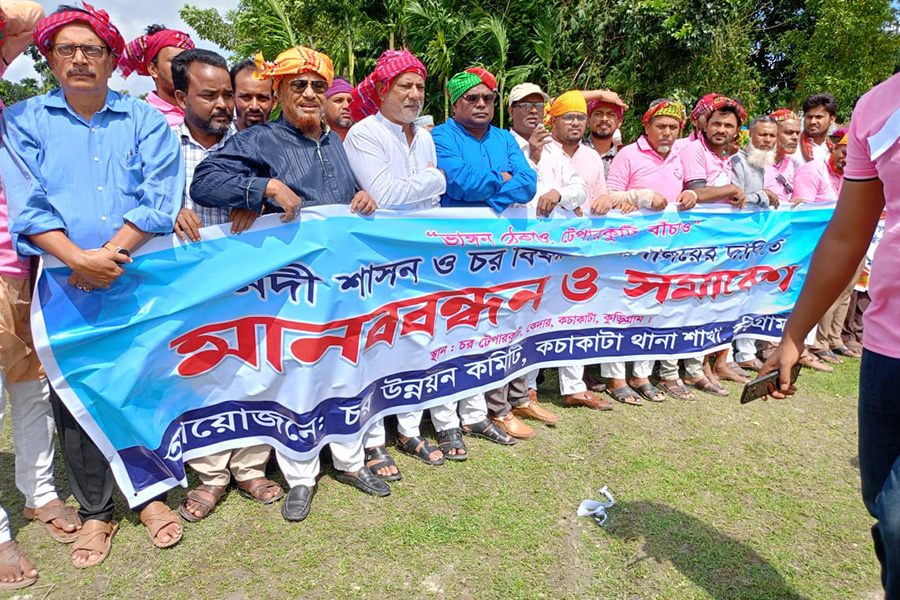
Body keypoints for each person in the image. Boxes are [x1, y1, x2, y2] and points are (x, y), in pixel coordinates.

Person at [1, 3, 185, 567]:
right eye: (67, 49)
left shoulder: (144, 119)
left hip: (136, 272)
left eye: (93, 49)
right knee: (74, 393)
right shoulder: (22, 120)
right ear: (49, 58)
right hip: (61, 281)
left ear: (111, 59)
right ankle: (97, 511)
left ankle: (150, 496)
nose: (80, 59)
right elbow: (26, 202)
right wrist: (77, 259)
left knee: (141, 380)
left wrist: (109, 255)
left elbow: (161, 192)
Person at [189, 46, 388, 522]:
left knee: (346, 369)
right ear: (278, 91)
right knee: (299, 376)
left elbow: (344, 198)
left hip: (342, 287)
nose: (310, 94)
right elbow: (205, 181)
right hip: (291, 293)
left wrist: (362, 196)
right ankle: (301, 477)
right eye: (298, 85)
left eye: (318, 86)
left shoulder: (336, 142)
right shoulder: (261, 139)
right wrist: (264, 190)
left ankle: (350, 461)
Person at [759, 70, 900, 600]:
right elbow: (846, 234)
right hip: (887, 346)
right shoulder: (877, 107)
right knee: (883, 506)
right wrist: (794, 335)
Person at [166, 48, 278, 522]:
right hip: (188, 283)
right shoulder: (163, 143)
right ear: (181, 97)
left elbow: (282, 197)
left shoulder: (252, 143)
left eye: (227, 95)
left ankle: (251, 467)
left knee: (253, 367)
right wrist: (168, 210)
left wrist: (256, 199)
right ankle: (210, 474)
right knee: (201, 372)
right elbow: (142, 197)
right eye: (209, 95)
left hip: (248, 280)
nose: (223, 105)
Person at [0, 0, 84, 590]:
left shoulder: (14, 114)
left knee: (31, 391)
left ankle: (39, 494)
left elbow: (28, 17)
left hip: (28, 269)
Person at [344, 49, 451, 471]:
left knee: (420, 340)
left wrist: (424, 186)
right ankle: (373, 441)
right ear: (383, 90)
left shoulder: (423, 136)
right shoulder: (364, 133)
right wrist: (434, 178)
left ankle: (409, 429)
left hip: (422, 257)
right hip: (378, 259)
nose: (414, 94)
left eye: (420, 87)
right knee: (376, 345)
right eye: (405, 86)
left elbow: (427, 201)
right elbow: (384, 195)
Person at [430, 67, 533, 443]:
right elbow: (457, 181)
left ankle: (476, 414)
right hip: (454, 253)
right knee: (450, 332)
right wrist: (501, 180)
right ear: (454, 104)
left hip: (499, 255)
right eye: (471, 98)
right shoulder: (439, 137)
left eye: (488, 98)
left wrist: (490, 189)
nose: (481, 104)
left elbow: (528, 184)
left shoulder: (504, 138)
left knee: (488, 330)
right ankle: (445, 420)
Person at [602, 98, 689, 403]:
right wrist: (636, 198)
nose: (667, 132)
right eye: (660, 126)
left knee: (655, 311)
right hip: (628, 248)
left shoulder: (680, 157)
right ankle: (615, 378)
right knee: (620, 310)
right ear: (647, 127)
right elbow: (608, 195)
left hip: (666, 249)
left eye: (673, 127)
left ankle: (641, 375)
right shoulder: (628, 154)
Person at [119, 23, 195, 127]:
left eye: (188, 62)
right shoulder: (139, 119)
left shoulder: (205, 111)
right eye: (175, 61)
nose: (183, 68)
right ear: (153, 69)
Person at [583, 96, 628, 176]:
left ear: (619, 122)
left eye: (611, 114)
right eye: (598, 114)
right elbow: (563, 100)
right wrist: (601, 94)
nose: (604, 118)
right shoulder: (574, 149)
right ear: (588, 121)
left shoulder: (623, 158)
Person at [792, 92, 838, 168]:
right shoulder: (793, 148)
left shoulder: (832, 150)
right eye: (809, 117)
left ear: (832, 119)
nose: (812, 121)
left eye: (819, 117)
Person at [230, 58, 275, 131]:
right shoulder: (217, 137)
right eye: (245, 97)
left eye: (262, 98)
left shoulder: (285, 137)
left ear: (274, 102)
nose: (254, 107)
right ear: (232, 99)